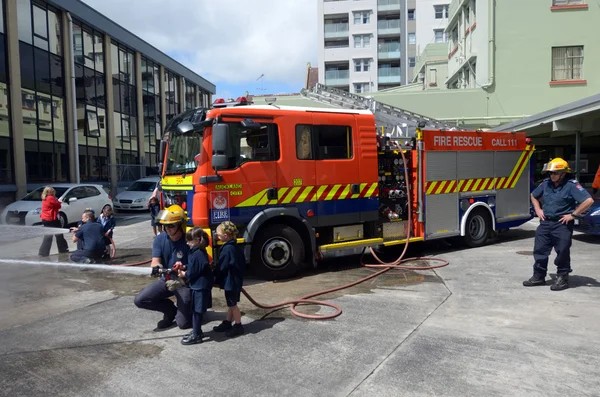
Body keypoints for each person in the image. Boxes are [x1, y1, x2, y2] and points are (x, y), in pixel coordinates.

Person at [523, 158, 594, 291]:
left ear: (563, 173)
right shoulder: (546, 184)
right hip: (545, 223)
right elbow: (533, 195)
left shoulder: (572, 185)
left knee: (562, 251)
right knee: (540, 250)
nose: (552, 175)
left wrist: (573, 215)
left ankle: (562, 277)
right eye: (550, 173)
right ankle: (538, 276)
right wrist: (538, 210)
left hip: (562, 224)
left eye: (554, 173)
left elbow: (588, 201)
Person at [133, 204, 192, 330]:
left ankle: (193, 310)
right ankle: (170, 311)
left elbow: (197, 265)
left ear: (180, 225)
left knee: (183, 324)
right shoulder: (160, 239)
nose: (167, 229)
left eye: (171, 225)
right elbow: (155, 261)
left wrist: (184, 268)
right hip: (167, 279)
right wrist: (156, 268)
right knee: (140, 300)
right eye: (165, 226)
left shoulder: (189, 241)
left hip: (184, 282)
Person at [179, 228, 213, 345]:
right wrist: (185, 266)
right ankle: (196, 331)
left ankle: (197, 334)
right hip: (198, 286)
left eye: (190, 241)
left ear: (197, 240)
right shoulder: (197, 252)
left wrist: (185, 274)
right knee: (195, 310)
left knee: (197, 311)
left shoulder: (198, 253)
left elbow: (194, 270)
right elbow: (194, 266)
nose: (187, 243)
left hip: (200, 287)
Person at [212, 221, 246, 337]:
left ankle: (238, 325)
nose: (217, 236)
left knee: (233, 305)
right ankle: (228, 322)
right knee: (231, 303)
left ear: (225, 236)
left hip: (230, 282)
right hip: (236, 280)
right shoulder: (236, 247)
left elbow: (222, 266)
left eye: (218, 234)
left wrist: (214, 276)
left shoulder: (227, 249)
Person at [38, 186, 69, 257]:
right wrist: (59, 201)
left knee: (48, 236)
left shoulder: (44, 198)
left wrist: (57, 201)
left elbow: (54, 206)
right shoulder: (50, 198)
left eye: (53, 191)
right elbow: (58, 206)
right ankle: (63, 249)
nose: (52, 192)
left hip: (46, 219)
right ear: (47, 192)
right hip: (52, 219)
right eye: (51, 191)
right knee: (59, 235)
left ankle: (43, 253)